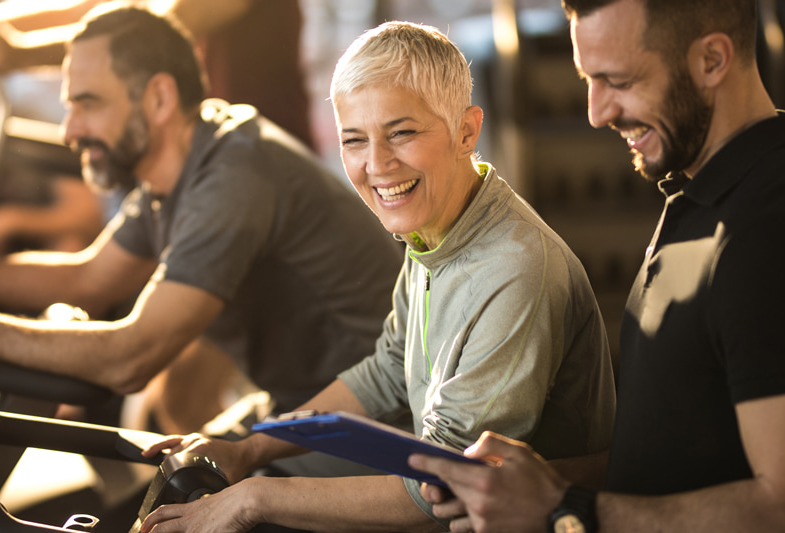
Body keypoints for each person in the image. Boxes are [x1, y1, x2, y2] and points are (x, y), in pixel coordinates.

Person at [409, 0, 785, 531]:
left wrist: (564, 511)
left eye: (619, 80)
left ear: (712, 60)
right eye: (589, 79)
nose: (596, 112)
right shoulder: (700, 197)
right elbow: (670, 462)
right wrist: (531, 484)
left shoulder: (784, 226)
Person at [137, 21, 616, 533]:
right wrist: (248, 449)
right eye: (354, 140)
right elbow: (387, 370)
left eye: (402, 133)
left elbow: (445, 484)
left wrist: (256, 497)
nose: (377, 164)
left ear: (466, 133)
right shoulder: (434, 225)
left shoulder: (516, 268)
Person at [0, 5, 402, 432]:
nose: (69, 131)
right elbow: (86, 278)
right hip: (312, 408)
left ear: (159, 99)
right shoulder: (177, 169)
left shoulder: (233, 174)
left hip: (383, 434)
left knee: (180, 467)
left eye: (87, 104)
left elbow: (129, 358)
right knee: (170, 440)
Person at [0, 0, 314, 149]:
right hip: (211, 149)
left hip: (259, 153)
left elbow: (156, 29)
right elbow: (105, 9)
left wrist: (18, 52)